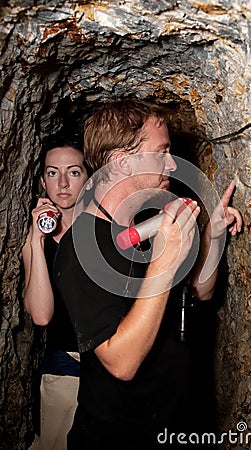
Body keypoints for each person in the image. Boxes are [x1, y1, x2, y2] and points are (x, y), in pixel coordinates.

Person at [53, 99, 242, 449]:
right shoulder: (80, 248)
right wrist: (163, 260)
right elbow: (121, 362)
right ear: (122, 161)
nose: (172, 163)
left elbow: (198, 292)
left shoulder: (143, 230)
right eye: (162, 151)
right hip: (119, 437)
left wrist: (211, 237)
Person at [22, 132, 90, 450]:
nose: (62, 183)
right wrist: (36, 240)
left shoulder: (104, 231)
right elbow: (41, 314)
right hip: (63, 369)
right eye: (53, 173)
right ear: (42, 182)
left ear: (88, 178)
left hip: (110, 366)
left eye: (73, 172)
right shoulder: (35, 244)